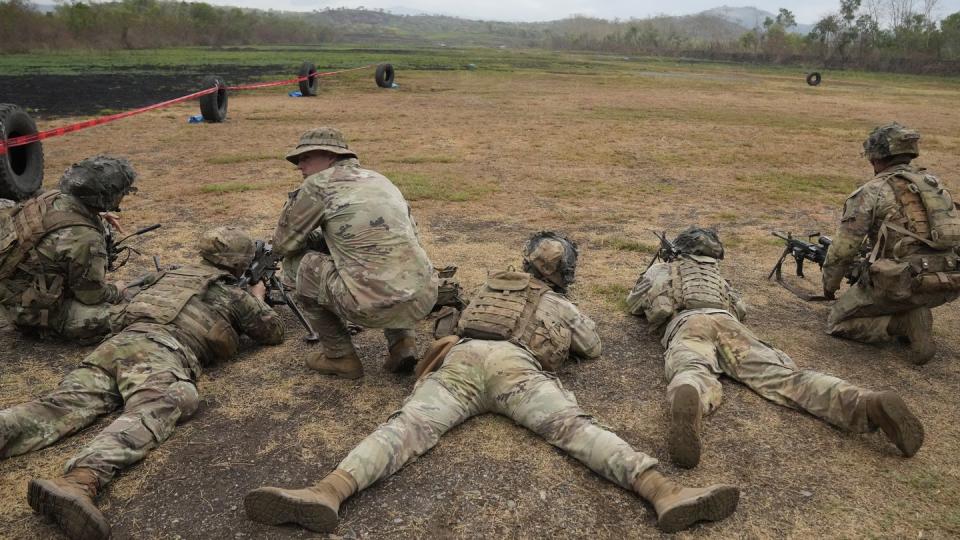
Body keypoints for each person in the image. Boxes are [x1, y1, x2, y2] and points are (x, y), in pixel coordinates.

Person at [245, 232, 740, 534]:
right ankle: (663, 492)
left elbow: (450, 317)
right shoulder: (560, 303)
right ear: (567, 270)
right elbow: (590, 347)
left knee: (405, 429)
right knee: (575, 429)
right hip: (514, 368)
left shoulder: (489, 289)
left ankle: (327, 491)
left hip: (460, 359)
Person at [0, 227, 284, 540]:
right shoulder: (233, 294)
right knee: (166, 401)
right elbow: (272, 333)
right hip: (160, 351)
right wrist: (258, 296)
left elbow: (130, 295)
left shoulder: (169, 275)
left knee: (61, 404)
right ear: (240, 264)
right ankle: (81, 478)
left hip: (116, 345)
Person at [627, 227, 925, 469]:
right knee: (785, 378)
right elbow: (740, 308)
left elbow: (635, 303)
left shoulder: (665, 270)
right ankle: (865, 404)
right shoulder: (719, 277)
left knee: (691, 368)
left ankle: (690, 393)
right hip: (729, 324)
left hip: (688, 325)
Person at [272, 127, 438, 379]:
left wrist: (316, 240)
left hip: (371, 305)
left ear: (330, 156)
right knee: (390, 258)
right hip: (423, 296)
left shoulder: (317, 185)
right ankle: (403, 343)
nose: (299, 165)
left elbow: (285, 246)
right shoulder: (380, 179)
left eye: (305, 157)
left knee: (299, 264)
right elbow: (409, 235)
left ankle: (339, 357)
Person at [822, 122, 960, 365]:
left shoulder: (872, 191)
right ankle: (909, 311)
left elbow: (843, 250)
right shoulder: (934, 186)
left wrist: (829, 285)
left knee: (838, 322)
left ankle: (902, 322)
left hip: (902, 283)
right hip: (946, 282)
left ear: (876, 157)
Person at [0, 155, 136, 341]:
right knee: (121, 315)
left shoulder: (48, 197)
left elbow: (62, 219)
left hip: (12, 290)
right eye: (122, 192)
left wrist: (97, 214)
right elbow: (92, 295)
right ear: (106, 196)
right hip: (29, 310)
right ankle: (40, 327)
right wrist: (117, 290)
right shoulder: (85, 237)